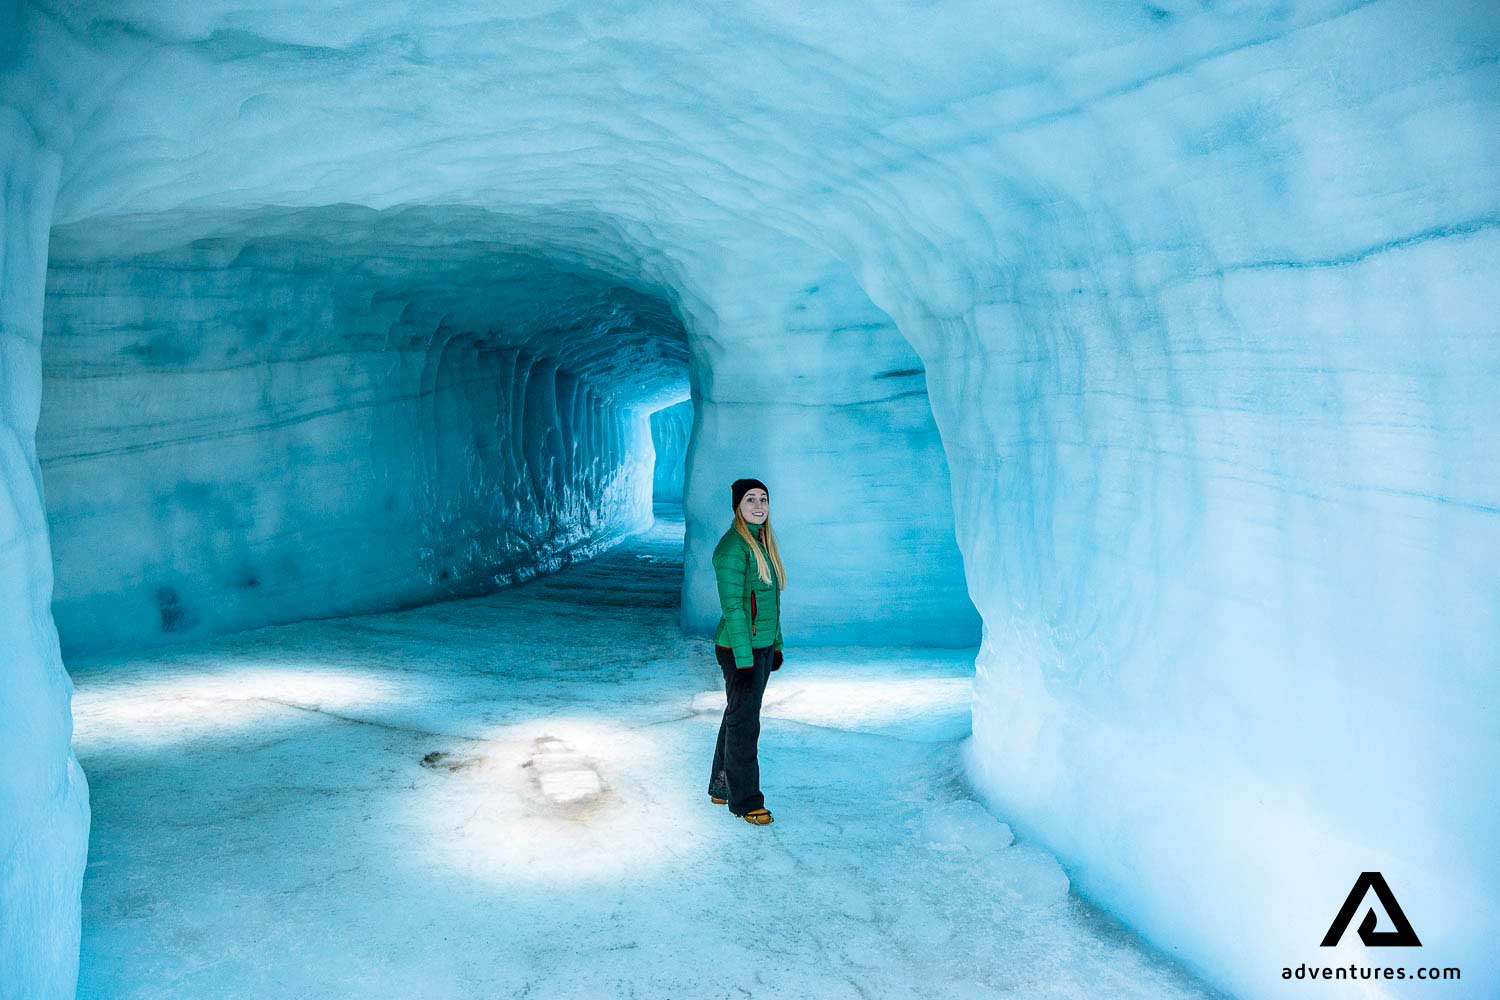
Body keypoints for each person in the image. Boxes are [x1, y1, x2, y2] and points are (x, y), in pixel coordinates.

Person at [706, 477, 786, 825]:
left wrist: (776, 645)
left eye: (763, 499)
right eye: (750, 499)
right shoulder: (733, 548)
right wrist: (744, 660)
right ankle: (746, 801)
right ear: (738, 506)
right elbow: (734, 609)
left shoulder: (762, 543)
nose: (758, 505)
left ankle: (722, 786)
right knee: (745, 724)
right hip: (741, 650)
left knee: (736, 715)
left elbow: (770, 603)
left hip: (760, 646)